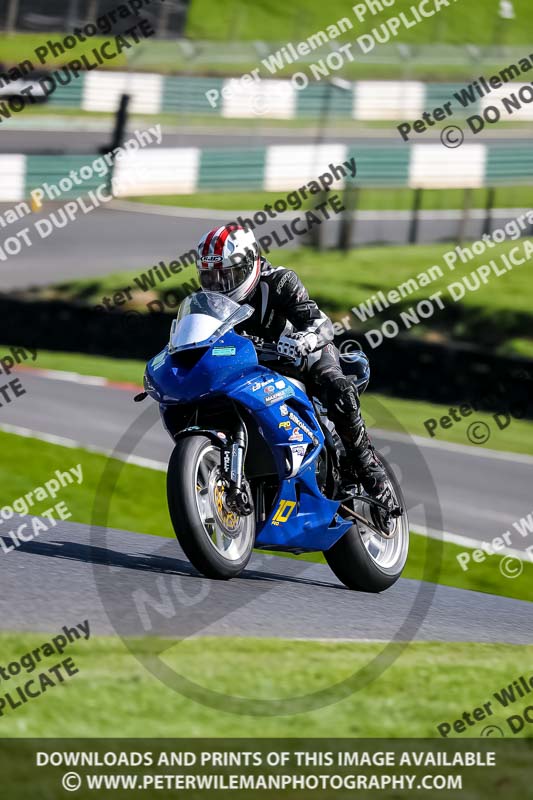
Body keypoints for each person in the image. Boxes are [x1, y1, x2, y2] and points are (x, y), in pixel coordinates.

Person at [196, 224, 393, 511]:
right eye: (210, 276)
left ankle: (368, 469)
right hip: (249, 368)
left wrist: (307, 338)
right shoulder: (207, 302)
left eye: (227, 274)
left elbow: (320, 322)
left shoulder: (280, 281)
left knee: (337, 388)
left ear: (250, 262)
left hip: (300, 357)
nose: (219, 284)